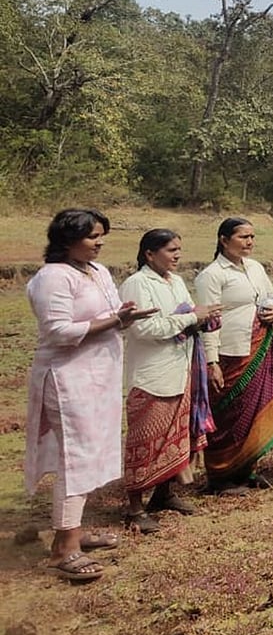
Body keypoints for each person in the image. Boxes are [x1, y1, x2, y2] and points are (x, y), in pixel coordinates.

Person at [26, 209, 157, 582]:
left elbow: (109, 314)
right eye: (92, 236)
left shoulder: (97, 271)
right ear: (67, 239)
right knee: (76, 458)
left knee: (91, 453)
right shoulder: (53, 277)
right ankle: (64, 548)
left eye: (102, 236)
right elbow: (58, 331)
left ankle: (74, 530)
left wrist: (123, 314)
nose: (99, 243)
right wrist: (116, 320)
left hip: (99, 376)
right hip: (67, 378)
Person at [119, 229, 222, 534]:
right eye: (171, 250)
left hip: (180, 369)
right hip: (152, 375)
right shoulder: (137, 284)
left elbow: (188, 314)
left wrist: (204, 317)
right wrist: (192, 317)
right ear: (150, 254)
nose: (177, 255)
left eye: (179, 249)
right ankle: (135, 508)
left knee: (175, 437)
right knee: (144, 441)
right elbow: (143, 329)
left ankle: (164, 494)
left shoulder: (175, 281)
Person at [195, 217, 273, 495]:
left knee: (254, 410)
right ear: (224, 240)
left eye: (252, 237)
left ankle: (248, 468)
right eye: (243, 237)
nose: (249, 242)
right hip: (231, 352)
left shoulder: (255, 267)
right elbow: (209, 322)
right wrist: (212, 361)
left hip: (260, 345)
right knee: (229, 412)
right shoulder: (212, 275)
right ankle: (221, 474)